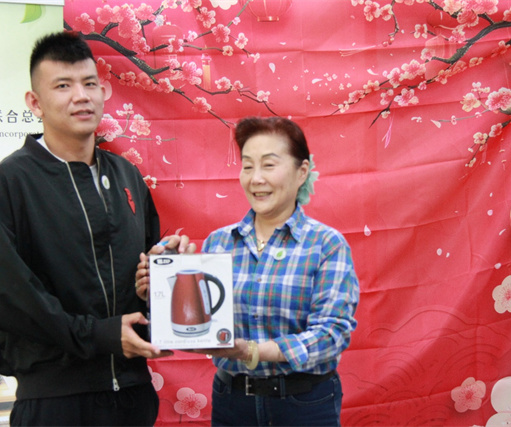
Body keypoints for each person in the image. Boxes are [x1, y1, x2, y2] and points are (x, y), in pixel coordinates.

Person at [0, 31, 194, 426]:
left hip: (132, 394)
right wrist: (98, 335)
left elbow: (142, 278)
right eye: (63, 86)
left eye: (89, 83)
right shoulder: (12, 182)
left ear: (103, 92)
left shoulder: (126, 176)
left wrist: (161, 273)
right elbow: (4, 295)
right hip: (56, 400)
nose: (81, 96)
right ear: (35, 103)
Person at [136, 117, 359, 426]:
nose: (256, 179)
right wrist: (159, 286)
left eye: (269, 165)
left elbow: (332, 334)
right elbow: (201, 326)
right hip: (233, 401)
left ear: (302, 171)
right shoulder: (219, 243)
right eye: (247, 166)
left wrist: (254, 351)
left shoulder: (326, 244)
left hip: (304, 403)